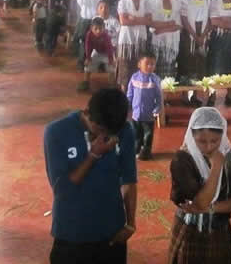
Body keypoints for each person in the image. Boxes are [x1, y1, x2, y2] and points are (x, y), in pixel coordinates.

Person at [43, 88, 137, 264]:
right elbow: (62, 191)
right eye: (99, 129)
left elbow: (129, 179)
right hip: (72, 234)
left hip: (112, 234)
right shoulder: (56, 132)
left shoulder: (125, 130)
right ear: (87, 113)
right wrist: (93, 155)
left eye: (109, 133)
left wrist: (130, 224)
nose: (104, 135)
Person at [167, 106, 231, 263]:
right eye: (202, 141)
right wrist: (216, 168)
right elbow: (200, 202)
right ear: (191, 136)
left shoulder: (229, 157)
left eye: (215, 141)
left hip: (219, 232)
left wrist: (210, 209)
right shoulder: (183, 160)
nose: (209, 147)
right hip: (190, 231)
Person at [116, 0, 151, 91]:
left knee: (138, 67)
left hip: (140, 39)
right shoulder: (123, 2)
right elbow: (123, 22)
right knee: (125, 69)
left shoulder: (145, 2)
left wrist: (133, 18)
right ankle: (124, 95)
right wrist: (141, 20)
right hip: (126, 40)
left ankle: (136, 94)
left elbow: (149, 21)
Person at [126, 52, 161, 160]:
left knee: (148, 135)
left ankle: (146, 151)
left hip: (148, 115)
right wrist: (127, 105)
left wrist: (157, 108)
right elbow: (130, 93)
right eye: (147, 63)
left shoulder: (155, 79)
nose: (150, 66)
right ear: (139, 64)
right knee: (136, 134)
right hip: (136, 114)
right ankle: (136, 150)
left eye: (152, 64)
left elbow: (159, 96)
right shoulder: (134, 77)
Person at [150, 0, 182, 80]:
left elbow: (178, 26)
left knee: (169, 74)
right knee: (157, 71)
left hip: (171, 45)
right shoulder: (154, 5)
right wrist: (169, 24)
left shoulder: (176, 5)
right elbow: (153, 25)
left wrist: (162, 30)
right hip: (157, 44)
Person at [78, 16, 115, 91]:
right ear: (91, 28)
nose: (98, 31)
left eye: (100, 29)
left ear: (104, 28)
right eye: (96, 29)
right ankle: (86, 82)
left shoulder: (106, 36)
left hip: (107, 53)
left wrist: (111, 59)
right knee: (88, 65)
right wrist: (88, 58)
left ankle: (111, 84)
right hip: (96, 52)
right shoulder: (89, 34)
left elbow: (109, 48)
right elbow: (88, 46)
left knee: (111, 67)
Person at [76, 0, 104, 66]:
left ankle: (96, 62)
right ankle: (82, 61)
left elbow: (98, 4)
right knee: (83, 40)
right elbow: (81, 3)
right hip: (84, 18)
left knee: (96, 40)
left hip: (95, 19)